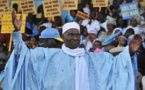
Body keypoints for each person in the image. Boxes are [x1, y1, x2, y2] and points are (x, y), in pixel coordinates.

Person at [4, 10, 142, 90]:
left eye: (77, 35)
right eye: (71, 34)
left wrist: (129, 51)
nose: (75, 38)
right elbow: (22, 54)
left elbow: (116, 64)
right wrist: (17, 31)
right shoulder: (49, 54)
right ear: (63, 37)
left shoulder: (92, 57)